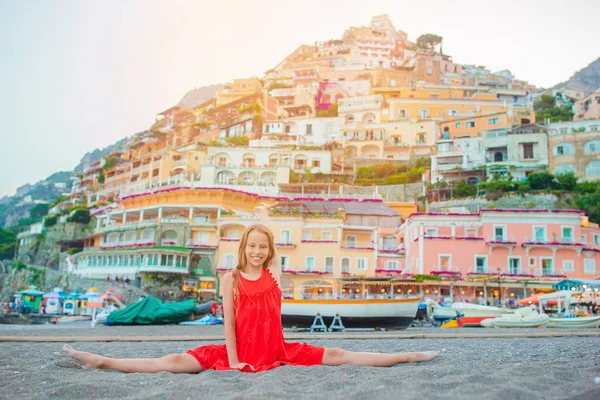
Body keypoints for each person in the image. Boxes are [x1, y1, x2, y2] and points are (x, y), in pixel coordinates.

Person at [64, 224, 439, 373]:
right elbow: (228, 323)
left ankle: (406, 355)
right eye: (252, 245)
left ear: (269, 250)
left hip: (276, 351)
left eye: (264, 246)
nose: (258, 251)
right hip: (239, 353)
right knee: (175, 361)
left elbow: (276, 319)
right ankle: (103, 361)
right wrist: (234, 361)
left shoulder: (276, 277)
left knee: (339, 355)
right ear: (244, 247)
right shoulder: (230, 279)